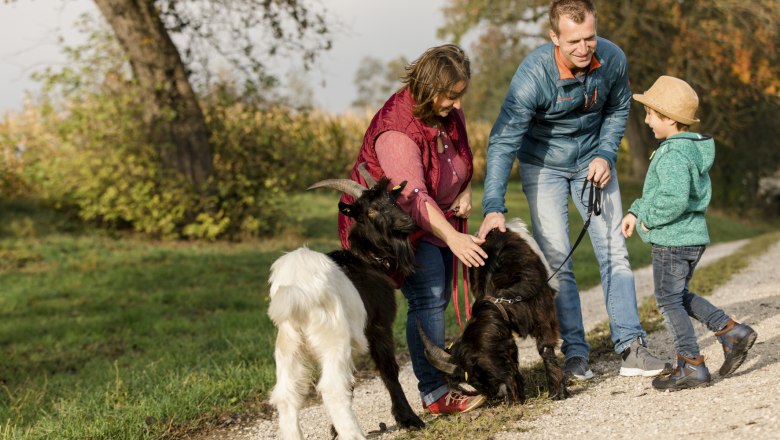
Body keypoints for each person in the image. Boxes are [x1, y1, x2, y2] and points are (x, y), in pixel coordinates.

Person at [477, 0, 670, 380]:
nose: (584, 48)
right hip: (543, 165)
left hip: (593, 164)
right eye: (573, 42)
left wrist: (605, 154)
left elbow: (618, 107)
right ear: (554, 38)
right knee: (558, 262)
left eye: (590, 38)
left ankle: (631, 345)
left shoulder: (612, 59)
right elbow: (503, 141)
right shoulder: (533, 75)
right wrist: (493, 206)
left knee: (614, 251)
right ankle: (576, 354)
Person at [337, 44, 487, 414]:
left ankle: (443, 378)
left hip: (438, 219)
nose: (456, 103)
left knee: (435, 295)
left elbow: (462, 159)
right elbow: (415, 198)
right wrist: (453, 238)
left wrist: (465, 189)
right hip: (396, 229)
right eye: (450, 95)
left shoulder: (448, 111)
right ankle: (434, 393)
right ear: (426, 87)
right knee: (429, 293)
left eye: (460, 94)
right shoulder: (397, 132)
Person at [622, 75, 758, 390]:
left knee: (668, 300)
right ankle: (730, 332)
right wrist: (635, 211)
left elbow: (672, 198)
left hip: (673, 241)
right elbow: (659, 192)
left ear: (669, 119)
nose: (646, 120)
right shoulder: (687, 149)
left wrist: (649, 219)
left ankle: (691, 363)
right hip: (690, 238)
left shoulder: (671, 155)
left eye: (651, 114)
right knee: (677, 295)